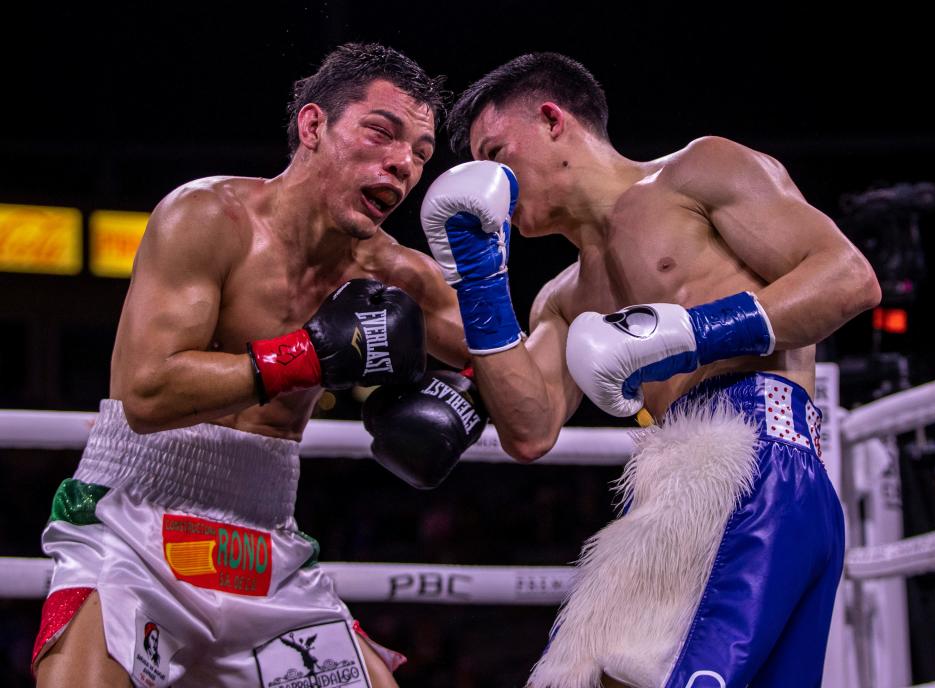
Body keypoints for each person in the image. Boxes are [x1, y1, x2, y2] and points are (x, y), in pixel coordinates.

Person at [420, 53, 881, 687]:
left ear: (553, 120)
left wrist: (690, 333)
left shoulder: (696, 173)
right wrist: (479, 282)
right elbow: (529, 430)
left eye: (496, 154)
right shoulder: (562, 297)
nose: (493, 185)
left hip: (755, 466)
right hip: (689, 487)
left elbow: (848, 279)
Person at [32, 43, 475, 688]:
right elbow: (146, 393)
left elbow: (509, 372)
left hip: (265, 545)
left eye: (421, 154)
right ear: (313, 125)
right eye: (383, 133)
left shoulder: (398, 274)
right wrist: (309, 355)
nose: (403, 164)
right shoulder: (208, 217)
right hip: (133, 521)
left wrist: (469, 381)